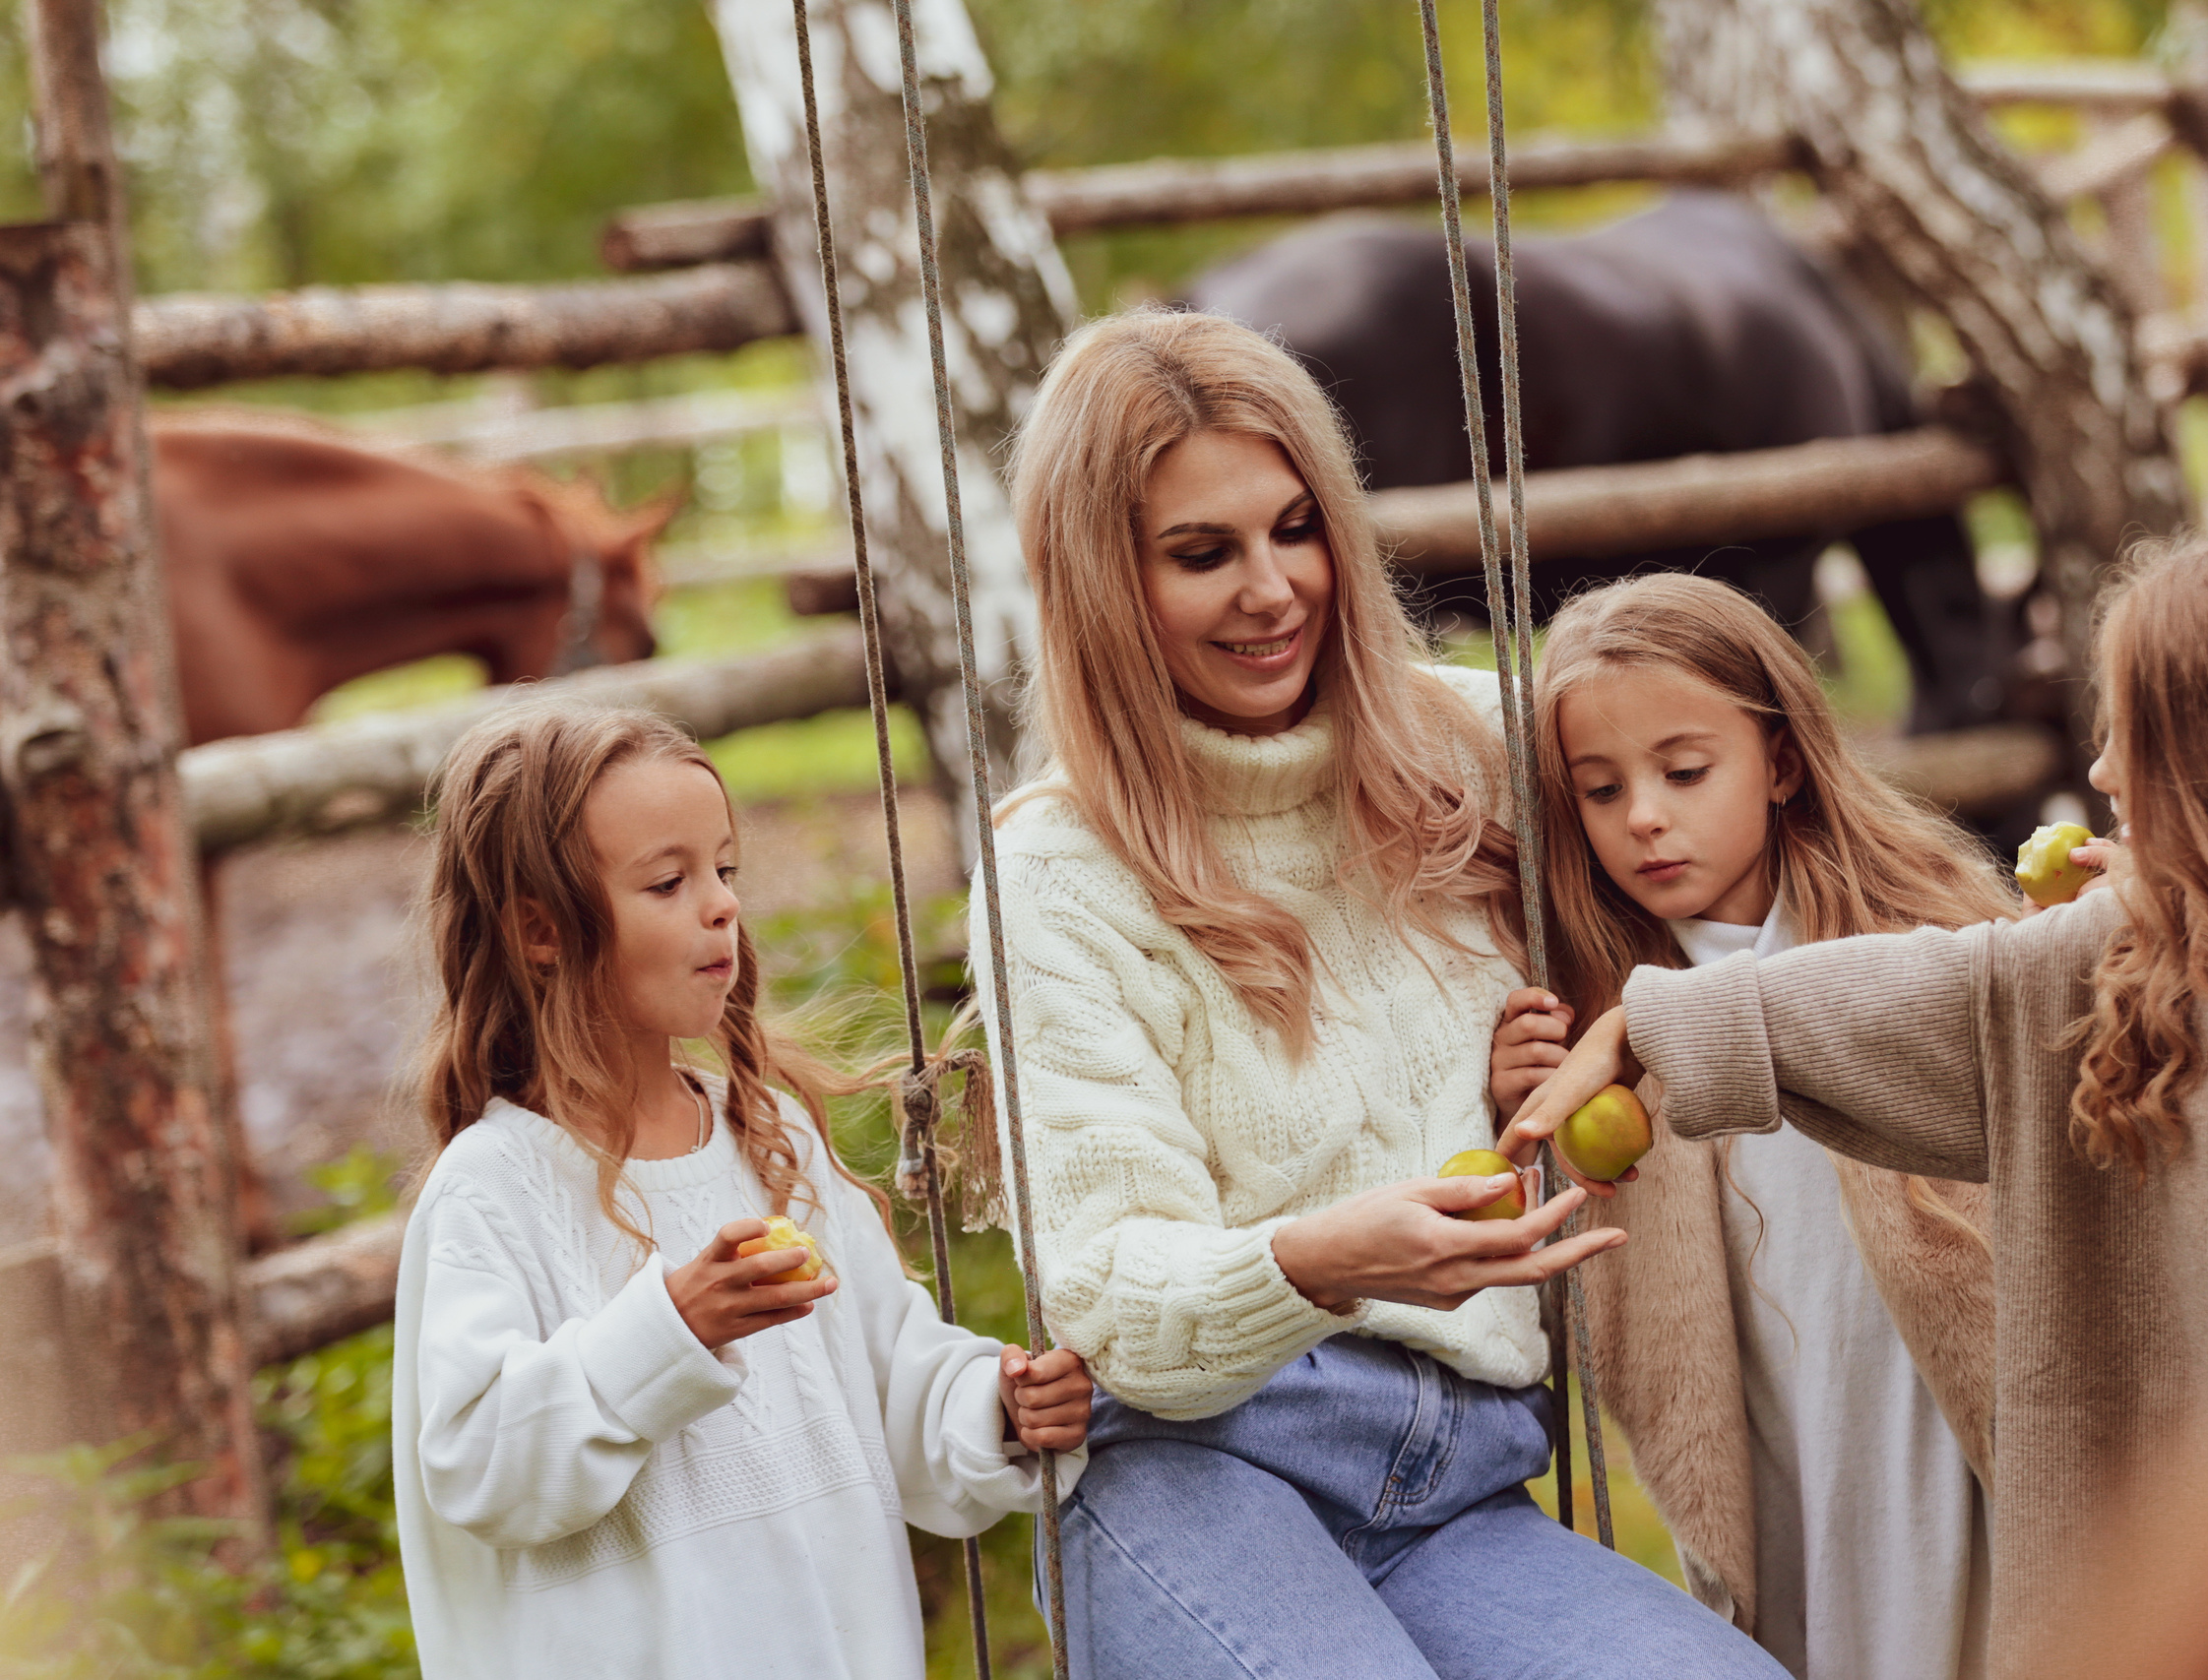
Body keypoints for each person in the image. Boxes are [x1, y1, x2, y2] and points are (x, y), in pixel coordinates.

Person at [1503, 524, 2208, 1678]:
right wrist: (1637, 1025)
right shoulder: (2092, 970)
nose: (2100, 775)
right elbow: (1900, 1000)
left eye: (2132, 736)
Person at [983, 307, 1785, 1679]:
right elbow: (1108, 1284)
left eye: (1296, 529)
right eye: (1202, 554)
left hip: (1459, 1477)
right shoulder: (1057, 870)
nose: (1272, 589)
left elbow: (1757, 832)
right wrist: (1319, 1258)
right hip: (1196, 1465)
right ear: (1102, 581)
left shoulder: (1470, 743)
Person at [389, 701, 1092, 1679]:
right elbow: (479, 1467)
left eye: (725, 870)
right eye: (667, 882)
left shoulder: (772, 1142)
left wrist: (996, 1407)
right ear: (541, 930)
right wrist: (670, 1329)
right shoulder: (491, 1191)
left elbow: (896, 1380)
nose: (720, 906)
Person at [1487, 573, 2014, 1679]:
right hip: (1781, 1447)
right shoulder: (1589, 1028)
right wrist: (1516, 1112)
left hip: (1941, 1434)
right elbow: (1556, 1291)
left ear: (1780, 762)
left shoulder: (1926, 939)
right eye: (1599, 789)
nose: (1643, 816)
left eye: (1684, 772)